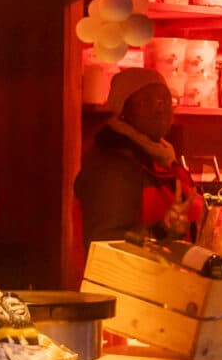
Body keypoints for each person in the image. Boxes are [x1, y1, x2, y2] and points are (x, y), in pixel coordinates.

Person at [74, 68, 183, 244]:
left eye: (166, 100)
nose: (160, 108)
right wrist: (162, 230)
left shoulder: (162, 159)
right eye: (144, 101)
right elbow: (105, 242)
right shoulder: (113, 167)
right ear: (123, 110)